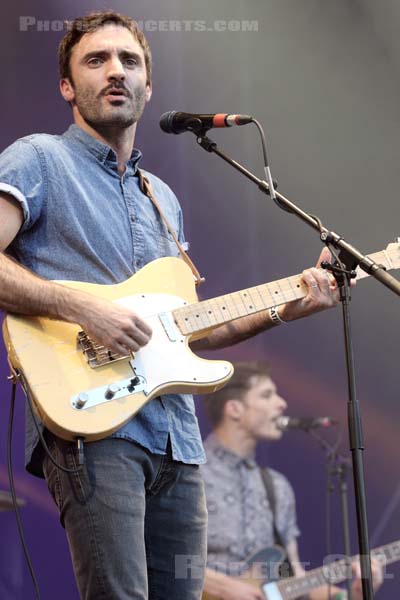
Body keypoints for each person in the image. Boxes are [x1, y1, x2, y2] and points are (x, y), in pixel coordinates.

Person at [0, 11, 341, 600]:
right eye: (97, 60)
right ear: (66, 86)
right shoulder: (38, 159)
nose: (116, 72)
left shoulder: (163, 198)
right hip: (92, 423)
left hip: (176, 440)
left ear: (148, 87)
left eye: (129, 62)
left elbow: (192, 329)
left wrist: (291, 304)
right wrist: (84, 309)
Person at [201, 361, 383, 600]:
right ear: (234, 409)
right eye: (267, 395)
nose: (282, 403)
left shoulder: (276, 486)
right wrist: (221, 587)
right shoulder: (188, 473)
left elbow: (293, 578)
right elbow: (149, 553)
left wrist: (352, 595)